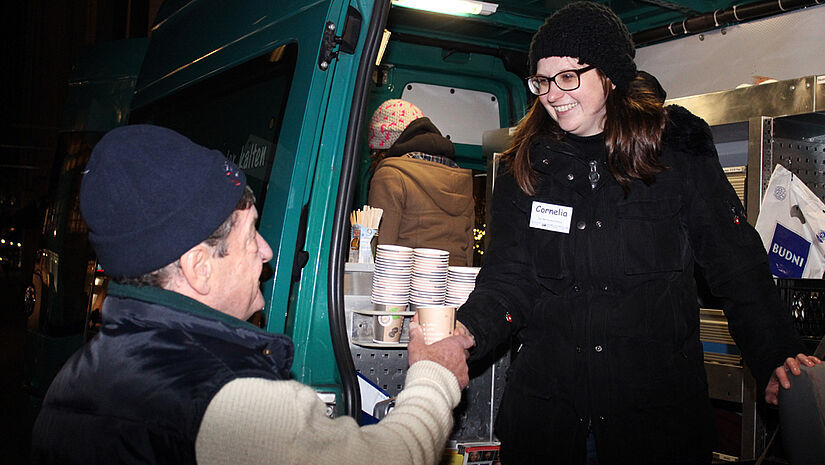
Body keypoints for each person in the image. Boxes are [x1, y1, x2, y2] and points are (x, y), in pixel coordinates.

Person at [454, 2, 821, 464]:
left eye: (569, 76)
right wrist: (463, 334)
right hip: (547, 422)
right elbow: (506, 281)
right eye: (542, 81)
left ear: (609, 75)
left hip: (653, 422)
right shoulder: (523, 167)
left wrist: (777, 356)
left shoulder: (675, 152)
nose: (552, 94)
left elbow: (736, 265)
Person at [30, 124, 475, 464]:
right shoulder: (224, 399)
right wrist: (433, 376)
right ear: (198, 268)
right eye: (251, 236)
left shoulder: (78, 376)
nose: (266, 252)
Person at [367, 99, 475, 266]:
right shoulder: (460, 179)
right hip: (451, 286)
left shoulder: (390, 175)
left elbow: (382, 249)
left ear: (383, 146)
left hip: (405, 283)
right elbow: (468, 252)